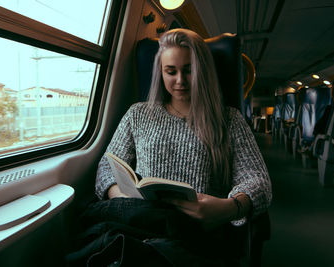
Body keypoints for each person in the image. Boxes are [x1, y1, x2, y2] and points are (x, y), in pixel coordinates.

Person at [74, 28, 272, 266]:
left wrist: (229, 207)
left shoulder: (229, 120)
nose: (180, 81)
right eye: (171, 71)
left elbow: (258, 180)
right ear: (160, 72)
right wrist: (123, 197)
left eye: (189, 71)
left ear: (203, 72)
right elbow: (108, 165)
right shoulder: (138, 114)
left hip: (198, 234)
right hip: (141, 224)